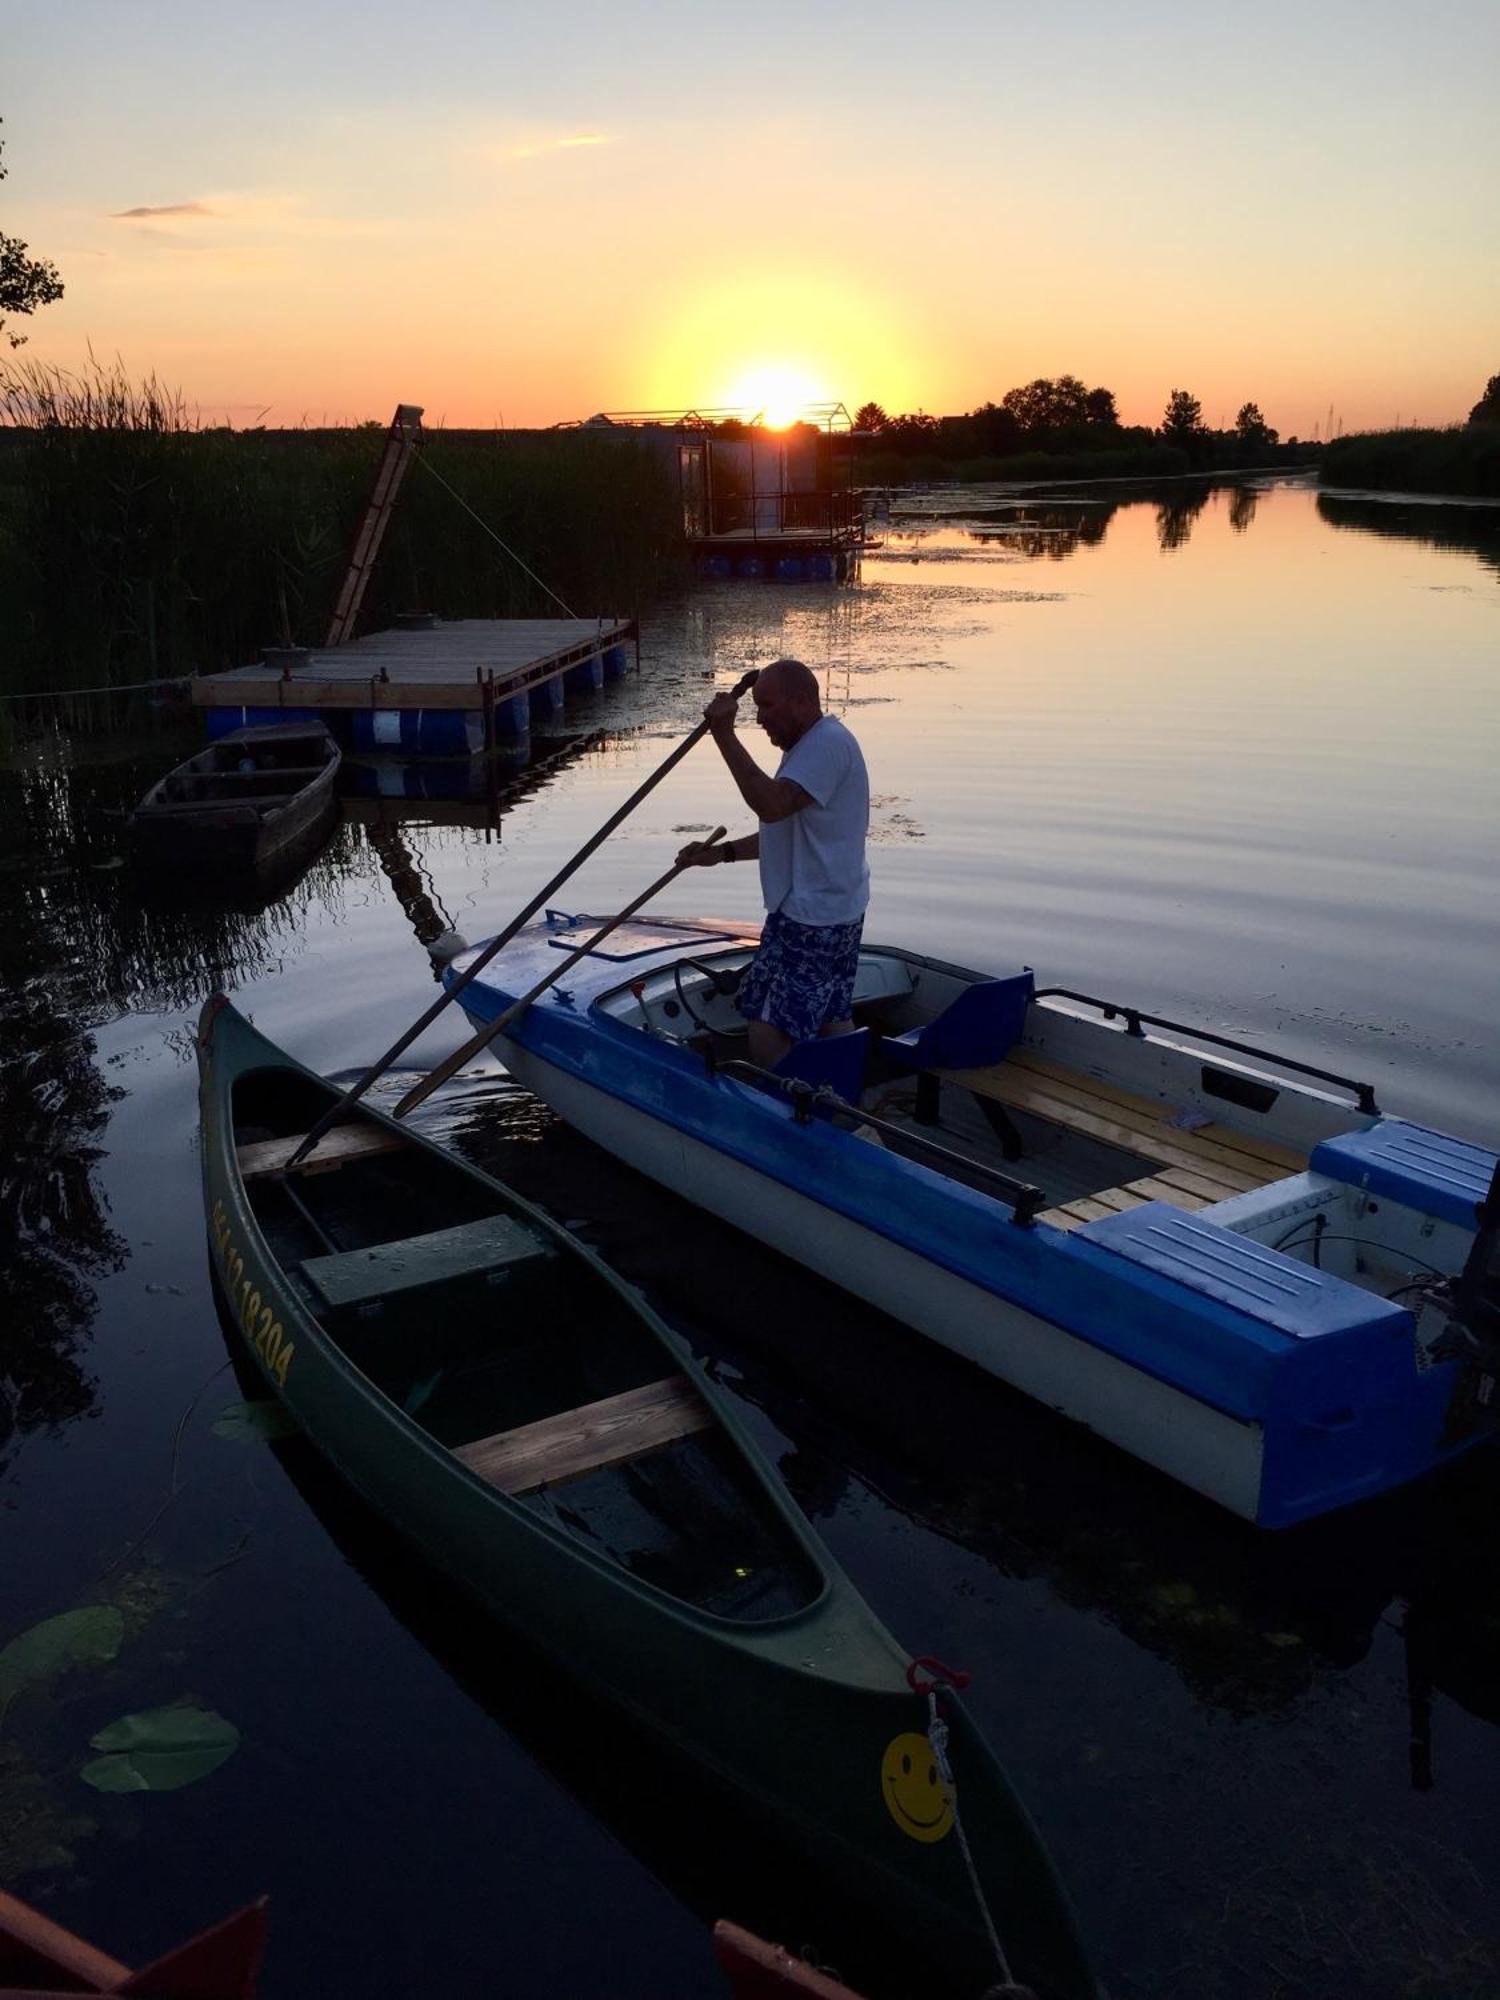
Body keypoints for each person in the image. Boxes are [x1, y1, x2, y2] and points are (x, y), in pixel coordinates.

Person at [675, 658, 869, 1067]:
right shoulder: (808, 747)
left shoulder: (826, 745)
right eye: (757, 707)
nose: (760, 719)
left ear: (801, 701)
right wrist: (722, 853)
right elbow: (787, 834)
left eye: (768, 707)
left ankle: (804, 1116)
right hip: (827, 912)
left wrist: (724, 735)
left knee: (766, 1032)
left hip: (813, 920)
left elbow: (772, 806)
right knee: (832, 1017)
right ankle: (844, 1106)